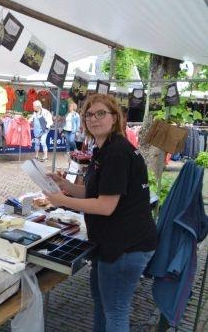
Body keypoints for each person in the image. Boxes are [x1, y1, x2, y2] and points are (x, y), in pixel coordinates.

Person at [43, 93, 157, 332]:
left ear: (115, 117)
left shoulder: (117, 153)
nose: (94, 119)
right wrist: (68, 187)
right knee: (103, 302)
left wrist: (61, 200)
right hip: (113, 244)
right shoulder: (103, 149)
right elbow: (95, 193)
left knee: (115, 310)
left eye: (101, 113)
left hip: (125, 247)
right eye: (89, 115)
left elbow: (105, 206)